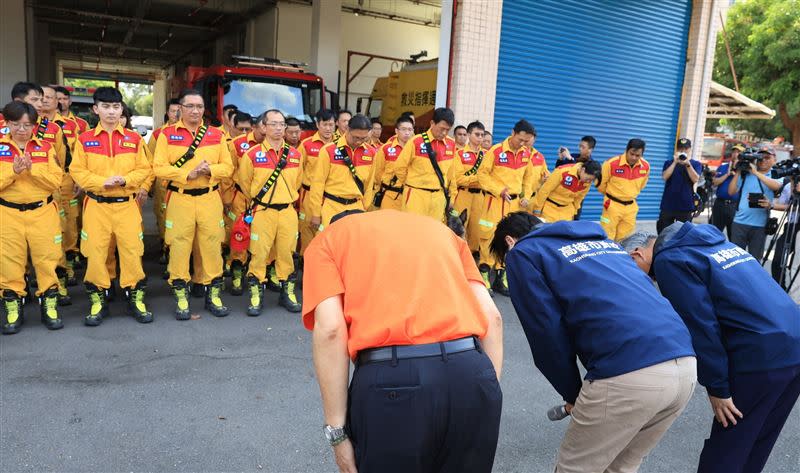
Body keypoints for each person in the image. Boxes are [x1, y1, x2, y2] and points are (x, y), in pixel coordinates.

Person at [494, 212, 697, 473]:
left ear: (510, 242)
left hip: (629, 372)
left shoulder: (525, 252)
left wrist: (573, 394)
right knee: (620, 467)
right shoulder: (604, 242)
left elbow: (546, 335)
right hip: (684, 365)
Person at [303, 209, 503, 473]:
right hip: (472, 374)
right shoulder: (442, 233)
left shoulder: (329, 239)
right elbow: (493, 318)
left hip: (393, 383)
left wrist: (337, 433)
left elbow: (330, 329)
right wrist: (485, 388)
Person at [624, 221, 800, 473]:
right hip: (794, 340)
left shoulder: (670, 260)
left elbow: (700, 326)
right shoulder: (711, 243)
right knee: (758, 439)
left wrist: (717, 387)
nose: (648, 282)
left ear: (637, 253)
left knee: (729, 446)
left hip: (760, 354)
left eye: (638, 273)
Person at [69, 87, 152, 326]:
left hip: (127, 205)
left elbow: (144, 169)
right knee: (95, 254)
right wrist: (101, 182)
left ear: (121, 109)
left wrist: (126, 180)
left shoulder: (134, 139)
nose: (111, 112)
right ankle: (98, 300)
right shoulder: (84, 140)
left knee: (132, 253)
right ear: (96, 109)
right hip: (97, 206)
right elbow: (77, 171)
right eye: (106, 106)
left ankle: (135, 298)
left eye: (116, 107)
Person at [153, 89, 234, 320]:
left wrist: (210, 170)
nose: (195, 111)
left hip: (210, 197)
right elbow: (158, 167)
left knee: (211, 244)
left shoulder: (216, 135)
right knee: (179, 246)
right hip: (180, 198)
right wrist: (186, 174)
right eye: (190, 106)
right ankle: (181, 294)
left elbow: (228, 167)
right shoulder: (167, 135)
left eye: (199, 107)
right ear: (180, 108)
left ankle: (213, 293)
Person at [0, 101, 64, 334]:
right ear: (6, 123)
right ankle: (13, 307)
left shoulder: (45, 148)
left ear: (34, 126)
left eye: (27, 125)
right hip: (7, 213)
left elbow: (56, 181)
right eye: (15, 124)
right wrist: (13, 173)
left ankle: (49, 305)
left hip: (42, 212)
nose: (21, 129)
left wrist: (32, 170)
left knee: (47, 260)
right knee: (10, 262)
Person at [239, 109, 303, 315]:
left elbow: (298, 182)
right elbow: (245, 184)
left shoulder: (295, 155)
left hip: (287, 212)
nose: (278, 128)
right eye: (273, 124)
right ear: (263, 127)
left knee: (286, 254)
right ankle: (256, 295)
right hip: (263, 212)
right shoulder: (251, 155)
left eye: (281, 124)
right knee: (258, 254)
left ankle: (288, 293)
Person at [476, 120, 536, 296]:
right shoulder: (495, 151)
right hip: (494, 201)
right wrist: (498, 189)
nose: (523, 144)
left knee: (511, 238)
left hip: (515, 203)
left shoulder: (526, 154)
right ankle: (484, 275)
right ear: (513, 133)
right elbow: (482, 174)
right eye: (520, 139)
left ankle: (501, 277)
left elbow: (529, 179)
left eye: (527, 141)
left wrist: (526, 196)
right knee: (489, 235)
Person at [307, 114, 376, 232]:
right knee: (329, 245)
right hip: (331, 207)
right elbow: (318, 183)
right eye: (355, 137)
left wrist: (365, 207)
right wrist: (316, 213)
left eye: (363, 138)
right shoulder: (329, 150)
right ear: (347, 130)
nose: (359, 141)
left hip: (357, 207)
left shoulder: (370, 153)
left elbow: (369, 185)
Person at [393, 107, 458, 222]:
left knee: (433, 234)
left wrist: (452, 197)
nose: (444, 133)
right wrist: (411, 184)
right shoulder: (416, 141)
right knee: (413, 231)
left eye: (448, 130)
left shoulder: (451, 144)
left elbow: (451, 175)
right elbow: (399, 168)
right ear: (432, 123)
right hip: (416, 196)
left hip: (438, 197)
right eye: (442, 128)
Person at [727, 146, 782, 260]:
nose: (763, 160)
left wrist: (755, 172)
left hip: (760, 225)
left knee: (755, 261)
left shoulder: (776, 173)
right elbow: (731, 192)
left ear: (774, 159)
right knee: (735, 260)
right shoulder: (746, 173)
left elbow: (776, 186)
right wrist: (738, 171)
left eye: (767, 157)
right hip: (739, 222)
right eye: (761, 157)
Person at [298, 109, 336, 256]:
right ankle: (305, 258)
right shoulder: (306, 145)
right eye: (325, 124)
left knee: (328, 230)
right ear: (317, 124)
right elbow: (299, 171)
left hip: (330, 197)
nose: (328, 128)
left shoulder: (339, 144)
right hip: (308, 194)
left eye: (331, 125)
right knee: (308, 228)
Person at [149, 98, 182, 263]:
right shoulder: (158, 134)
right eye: (173, 111)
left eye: (179, 110)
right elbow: (149, 160)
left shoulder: (195, 134)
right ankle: (166, 248)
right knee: (164, 218)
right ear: (167, 113)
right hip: (163, 185)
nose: (176, 114)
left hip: (183, 185)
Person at [598, 138, 650, 241]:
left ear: (642, 154)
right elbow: (600, 184)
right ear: (626, 150)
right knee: (607, 236)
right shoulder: (611, 163)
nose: (634, 157)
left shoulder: (645, 166)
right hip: (612, 206)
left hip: (631, 208)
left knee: (625, 239)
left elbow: (642, 185)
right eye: (632, 154)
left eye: (638, 155)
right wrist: (612, 195)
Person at [529, 160, 601, 222]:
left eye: (591, 180)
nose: (588, 181)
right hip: (549, 209)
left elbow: (579, 198)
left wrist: (574, 212)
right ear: (583, 169)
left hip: (567, 212)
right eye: (588, 178)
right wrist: (537, 210)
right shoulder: (562, 172)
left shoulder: (587, 182)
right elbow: (544, 191)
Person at [454, 120, 487, 253]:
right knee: (458, 228)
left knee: (477, 230)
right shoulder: (459, 154)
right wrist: (478, 179)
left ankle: (472, 257)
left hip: (480, 197)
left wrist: (480, 180)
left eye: (482, 135)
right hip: (463, 195)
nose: (480, 138)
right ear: (469, 134)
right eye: (477, 134)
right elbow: (459, 179)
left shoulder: (487, 155)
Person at [657, 138, 702, 233]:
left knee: (683, 235)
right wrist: (675, 162)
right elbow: (665, 177)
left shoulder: (695, 164)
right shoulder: (669, 163)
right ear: (677, 149)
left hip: (685, 206)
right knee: (663, 234)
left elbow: (695, 179)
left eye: (686, 149)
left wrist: (688, 164)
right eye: (680, 148)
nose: (683, 151)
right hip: (668, 205)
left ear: (690, 149)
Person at [371, 115, 415, 211]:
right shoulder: (386, 148)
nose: (407, 133)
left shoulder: (417, 149)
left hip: (411, 196)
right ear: (396, 131)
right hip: (390, 195)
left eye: (410, 129)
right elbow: (377, 173)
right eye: (403, 129)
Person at [770, 179, 800, 288]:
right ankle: (780, 289)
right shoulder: (789, 186)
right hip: (791, 226)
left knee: (796, 264)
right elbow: (782, 204)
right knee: (778, 259)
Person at [711, 143, 744, 239]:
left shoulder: (743, 170)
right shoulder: (723, 167)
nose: (735, 154)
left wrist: (737, 173)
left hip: (734, 205)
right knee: (713, 233)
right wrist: (727, 174)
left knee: (733, 235)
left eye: (738, 152)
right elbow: (715, 182)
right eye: (734, 151)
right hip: (720, 204)